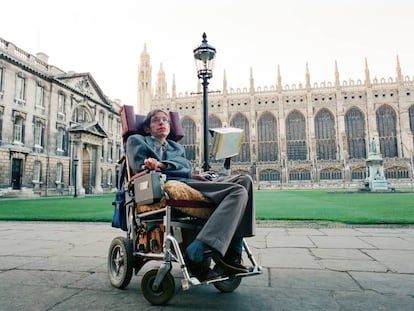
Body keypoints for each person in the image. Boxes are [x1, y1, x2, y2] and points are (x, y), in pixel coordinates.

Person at [126, 109, 256, 281]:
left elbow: (185, 167)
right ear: (147, 128)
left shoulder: (176, 146)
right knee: (237, 192)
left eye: (165, 120)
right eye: (155, 120)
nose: (161, 123)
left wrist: (163, 164)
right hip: (162, 184)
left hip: (188, 181)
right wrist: (150, 164)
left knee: (244, 181)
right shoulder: (137, 140)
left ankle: (233, 252)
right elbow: (137, 163)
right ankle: (200, 249)